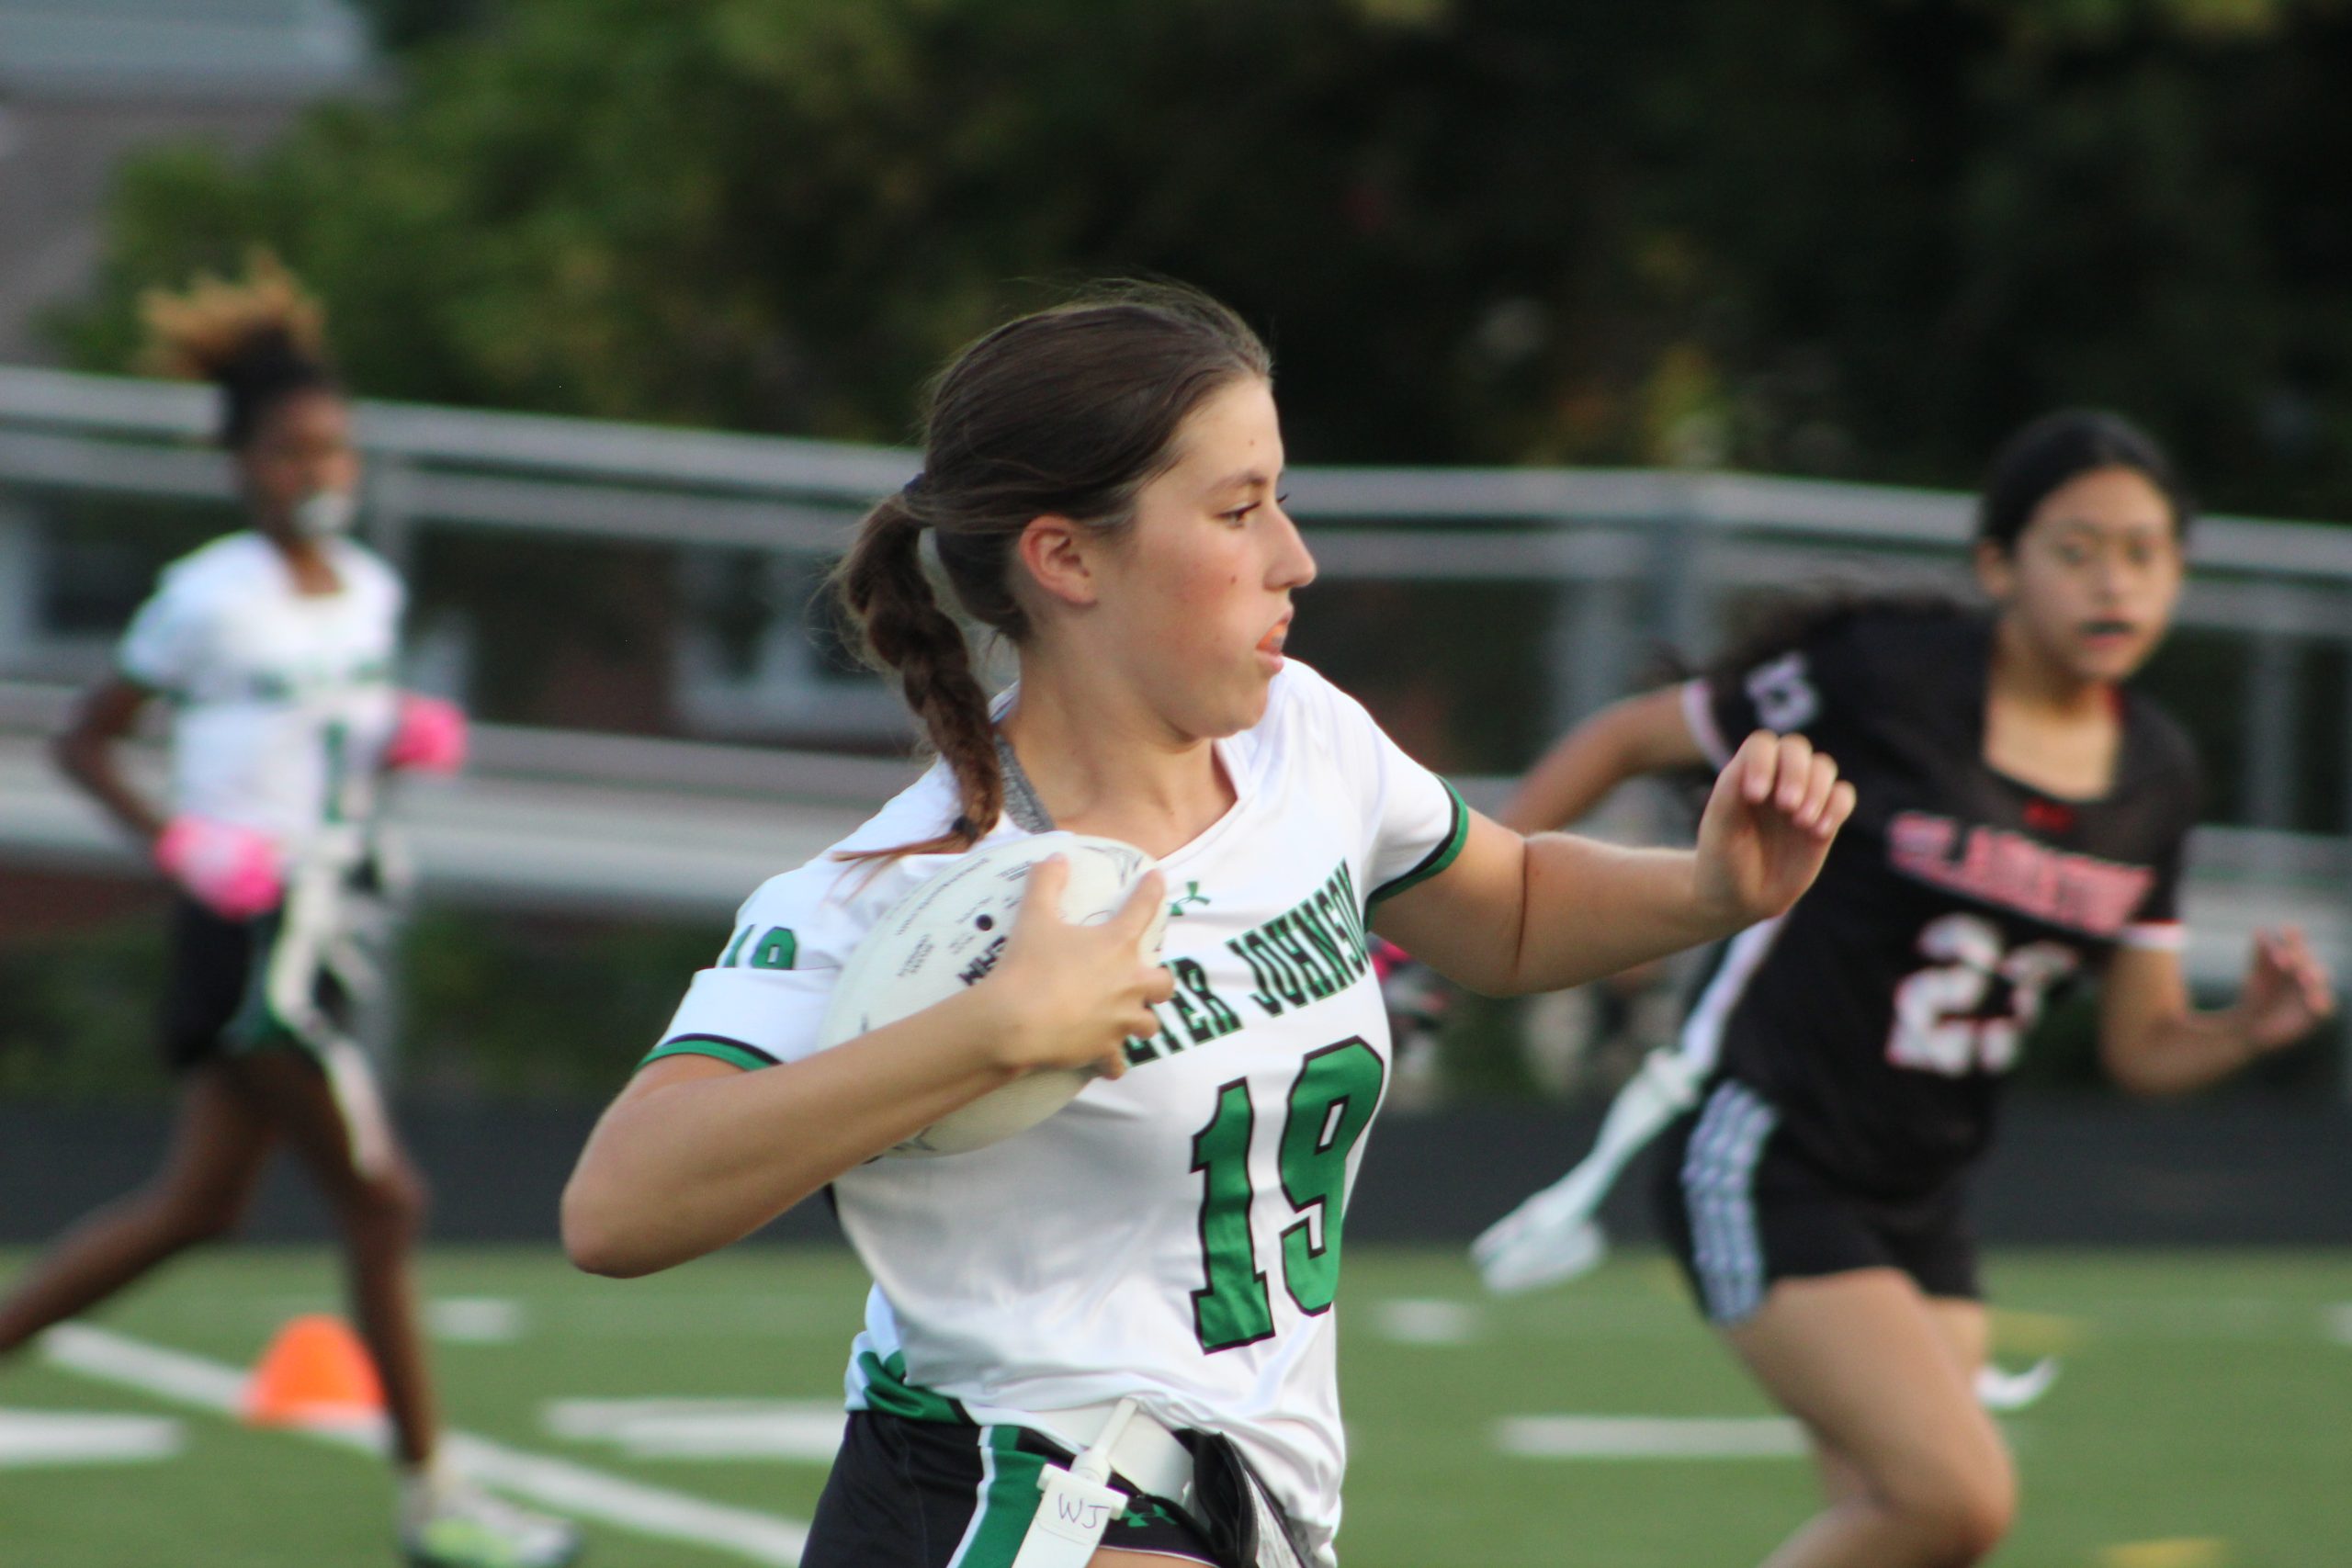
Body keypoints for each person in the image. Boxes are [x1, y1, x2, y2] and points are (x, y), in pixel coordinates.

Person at [560, 282, 1858, 1568]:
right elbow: (617, 1206)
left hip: (1243, 1498)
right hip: (1020, 1486)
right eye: (1240, 509)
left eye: (1279, 496)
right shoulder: (910, 885)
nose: (1294, 554)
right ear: (1066, 557)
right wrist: (992, 1028)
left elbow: (1509, 908)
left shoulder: (1305, 735)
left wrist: (1709, 890)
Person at [1475, 409, 2336, 1568]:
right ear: (1998, 565)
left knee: (1909, 1536)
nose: (2112, 581)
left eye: (2144, 552)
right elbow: (1634, 736)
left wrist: (2243, 1031)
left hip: (1923, 1186)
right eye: (2075, 549)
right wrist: (1458, 885)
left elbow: (2143, 1047)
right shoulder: (1887, 678)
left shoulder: (2158, 774)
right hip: (1770, 1145)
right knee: (1958, 1498)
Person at [0, 256, 580, 1568]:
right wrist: (181, 841)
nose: (320, 468)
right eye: (293, 449)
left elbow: (337, 734)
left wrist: (397, 738)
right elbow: (86, 740)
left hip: (332, 917)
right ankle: (436, 1497)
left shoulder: (369, 590)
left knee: (197, 1206)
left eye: (336, 445)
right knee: (385, 1205)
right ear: (242, 460)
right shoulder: (209, 592)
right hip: (252, 929)